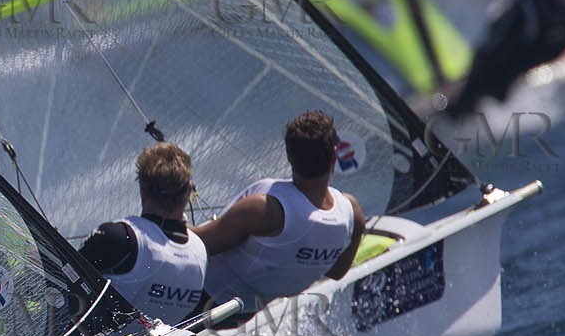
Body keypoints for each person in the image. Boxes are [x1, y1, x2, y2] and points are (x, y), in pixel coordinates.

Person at [196, 110, 365, 311]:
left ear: (288, 155)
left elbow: (195, 246)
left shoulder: (265, 208)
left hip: (198, 297)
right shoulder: (351, 212)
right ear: (333, 156)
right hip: (247, 313)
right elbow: (337, 272)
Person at [79, 142, 207, 324]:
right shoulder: (199, 251)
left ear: (142, 189)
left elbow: (62, 275)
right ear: (188, 191)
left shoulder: (119, 237)